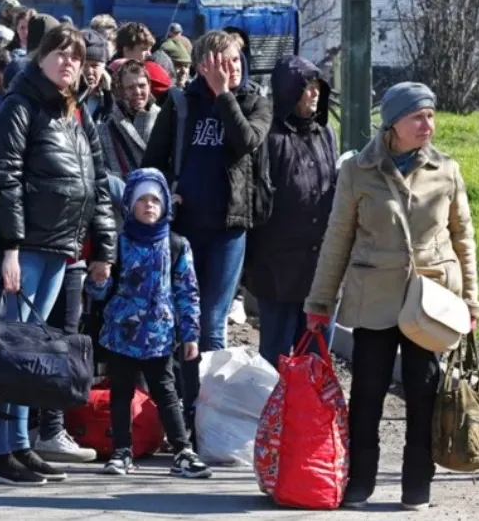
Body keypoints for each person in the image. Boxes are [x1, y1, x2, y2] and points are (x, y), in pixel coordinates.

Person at [304, 82, 478, 511]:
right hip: (374, 297)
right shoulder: (358, 171)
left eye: (431, 115)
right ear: (393, 122)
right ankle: (360, 481)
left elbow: (464, 238)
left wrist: (471, 300)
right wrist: (320, 303)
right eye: (418, 116)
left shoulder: (446, 169)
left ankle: (417, 483)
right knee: (366, 394)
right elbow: (337, 238)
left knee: (424, 392)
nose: (428, 124)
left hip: (432, 300)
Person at [0, 25, 117, 486]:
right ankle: (0, 454)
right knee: (9, 352)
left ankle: (21, 445)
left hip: (62, 248)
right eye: (59, 53)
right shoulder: (19, 106)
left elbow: (96, 183)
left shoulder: (76, 113)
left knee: (31, 354)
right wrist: (11, 248)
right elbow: (3, 178)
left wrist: (103, 247)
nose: (68, 62)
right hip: (26, 249)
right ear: (40, 58)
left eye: (75, 56)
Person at [141, 29, 272, 427]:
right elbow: (153, 162)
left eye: (235, 61)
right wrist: (165, 196)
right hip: (183, 231)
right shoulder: (181, 104)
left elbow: (246, 141)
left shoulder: (255, 101)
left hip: (228, 229)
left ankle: (206, 419)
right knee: (181, 321)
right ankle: (176, 411)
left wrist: (223, 96)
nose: (230, 69)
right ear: (202, 66)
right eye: (221, 63)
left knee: (212, 323)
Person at [86, 168, 211, 479]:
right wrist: (98, 280)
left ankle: (182, 450)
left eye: (155, 199)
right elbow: (99, 291)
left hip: (159, 335)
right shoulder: (117, 243)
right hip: (120, 333)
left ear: (166, 204)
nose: (149, 206)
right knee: (121, 392)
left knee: (166, 392)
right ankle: (121, 450)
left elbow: (187, 291)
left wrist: (191, 333)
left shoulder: (176, 245)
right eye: (142, 200)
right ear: (129, 204)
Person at [245, 56, 337, 365]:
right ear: (288, 92)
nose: (314, 94)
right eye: (306, 88)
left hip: (318, 267)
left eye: (317, 88)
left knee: (315, 358)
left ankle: (309, 414)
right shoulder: (270, 139)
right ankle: (273, 413)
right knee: (277, 356)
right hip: (277, 268)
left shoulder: (325, 134)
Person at [98, 60, 163, 178]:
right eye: (130, 88)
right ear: (121, 91)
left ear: (149, 86)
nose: (137, 92)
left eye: (142, 86)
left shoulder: (165, 120)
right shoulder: (104, 131)